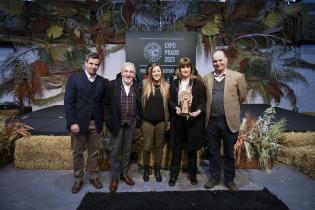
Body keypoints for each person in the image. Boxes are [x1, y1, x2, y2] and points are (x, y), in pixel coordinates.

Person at [64, 52, 109, 194]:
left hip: (96, 123)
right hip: (78, 124)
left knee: (94, 152)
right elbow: (68, 103)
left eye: (96, 65)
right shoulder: (74, 79)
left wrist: (103, 122)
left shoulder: (102, 81)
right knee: (77, 153)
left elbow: (103, 104)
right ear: (86, 62)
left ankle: (94, 177)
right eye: (91, 63)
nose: (94, 67)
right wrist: (72, 122)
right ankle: (78, 179)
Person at [203, 49, 247, 191]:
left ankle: (229, 180)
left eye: (220, 60)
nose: (218, 63)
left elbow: (242, 96)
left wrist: (230, 108)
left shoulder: (238, 77)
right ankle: (214, 177)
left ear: (226, 60)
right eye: (215, 61)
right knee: (213, 152)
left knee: (229, 153)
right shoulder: (206, 78)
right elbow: (205, 99)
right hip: (212, 122)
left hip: (229, 121)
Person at [105, 62, 142, 193]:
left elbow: (139, 106)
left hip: (130, 124)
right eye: (126, 71)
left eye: (131, 72)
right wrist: (110, 123)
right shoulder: (112, 85)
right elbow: (106, 105)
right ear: (121, 72)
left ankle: (124, 174)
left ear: (134, 74)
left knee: (127, 151)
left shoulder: (138, 86)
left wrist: (137, 120)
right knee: (115, 152)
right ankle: (114, 178)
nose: (128, 74)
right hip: (117, 125)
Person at [168, 57, 206, 186]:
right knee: (177, 149)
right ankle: (173, 175)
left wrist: (198, 112)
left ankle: (192, 175)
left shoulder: (198, 83)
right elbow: (170, 101)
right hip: (178, 121)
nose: (185, 69)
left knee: (192, 150)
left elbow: (202, 102)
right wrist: (176, 108)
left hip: (193, 121)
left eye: (188, 67)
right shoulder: (174, 83)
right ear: (179, 69)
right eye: (183, 67)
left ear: (191, 69)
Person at [141, 63, 169, 182]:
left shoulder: (166, 86)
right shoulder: (145, 84)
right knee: (147, 146)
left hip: (161, 122)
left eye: (158, 71)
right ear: (150, 73)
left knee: (159, 146)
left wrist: (169, 121)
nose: (156, 73)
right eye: (153, 72)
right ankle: (146, 169)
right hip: (147, 121)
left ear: (161, 72)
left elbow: (169, 106)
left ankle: (157, 170)